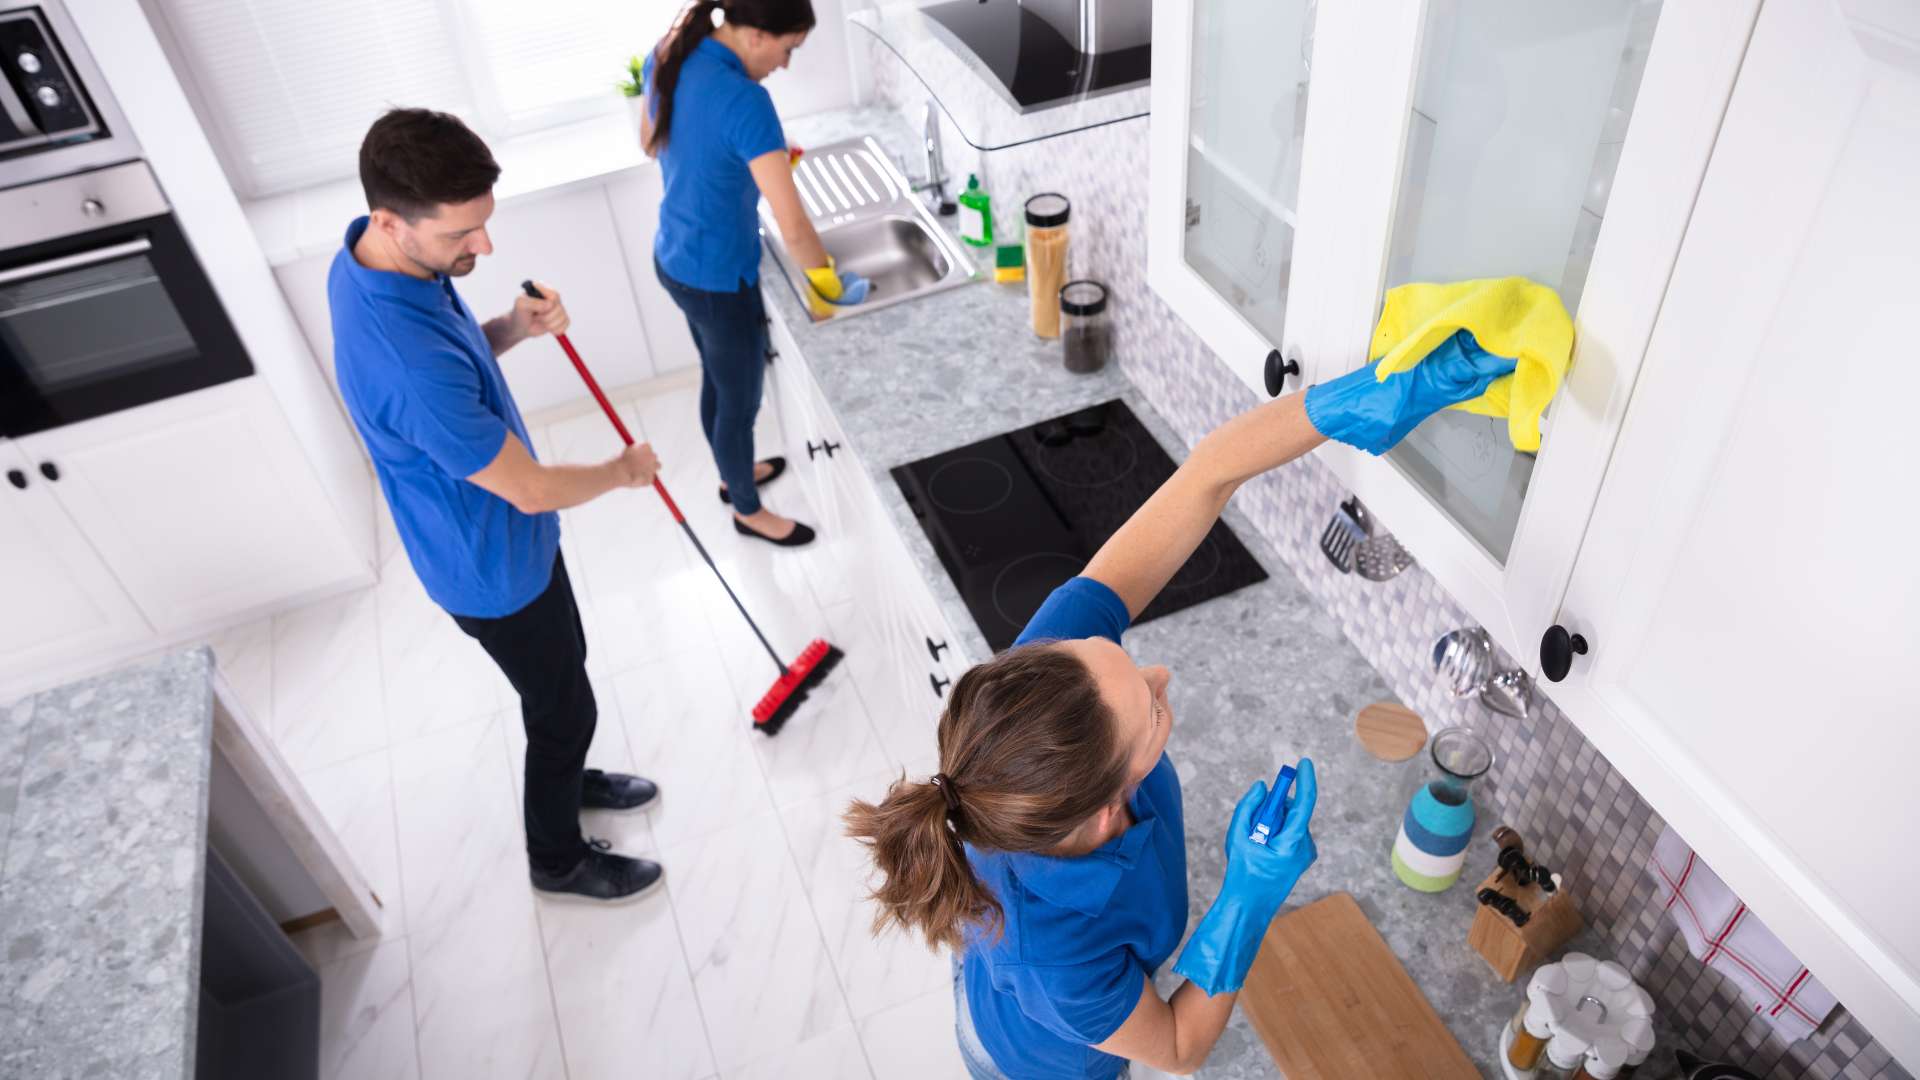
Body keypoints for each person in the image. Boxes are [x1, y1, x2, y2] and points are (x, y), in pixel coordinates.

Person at [845, 333, 1518, 1079]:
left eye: (1132, 667)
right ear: (1107, 808)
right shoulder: (1057, 950)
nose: (1158, 673)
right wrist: (1250, 892)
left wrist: (1350, 403)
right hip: (1037, 1061)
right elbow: (1176, 1047)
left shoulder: (1048, 686)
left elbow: (1207, 475)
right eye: (1152, 712)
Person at [329, 108, 665, 904]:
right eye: (463, 236)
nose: (483, 248)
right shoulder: (404, 360)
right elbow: (531, 487)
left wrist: (512, 325)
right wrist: (622, 470)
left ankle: (572, 774)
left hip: (503, 543)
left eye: (484, 225)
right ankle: (557, 862)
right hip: (491, 568)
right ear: (392, 219)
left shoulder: (375, 260)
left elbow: (457, 364)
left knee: (563, 681)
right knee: (561, 711)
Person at [639, 0, 870, 547]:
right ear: (759, 35)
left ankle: (728, 472)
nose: (787, 64)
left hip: (674, 255)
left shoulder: (674, 52)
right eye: (789, 49)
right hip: (719, 278)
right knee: (739, 403)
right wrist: (827, 282)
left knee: (716, 381)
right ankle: (747, 509)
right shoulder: (747, 101)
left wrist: (752, 157)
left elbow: (654, 144)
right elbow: (793, 228)